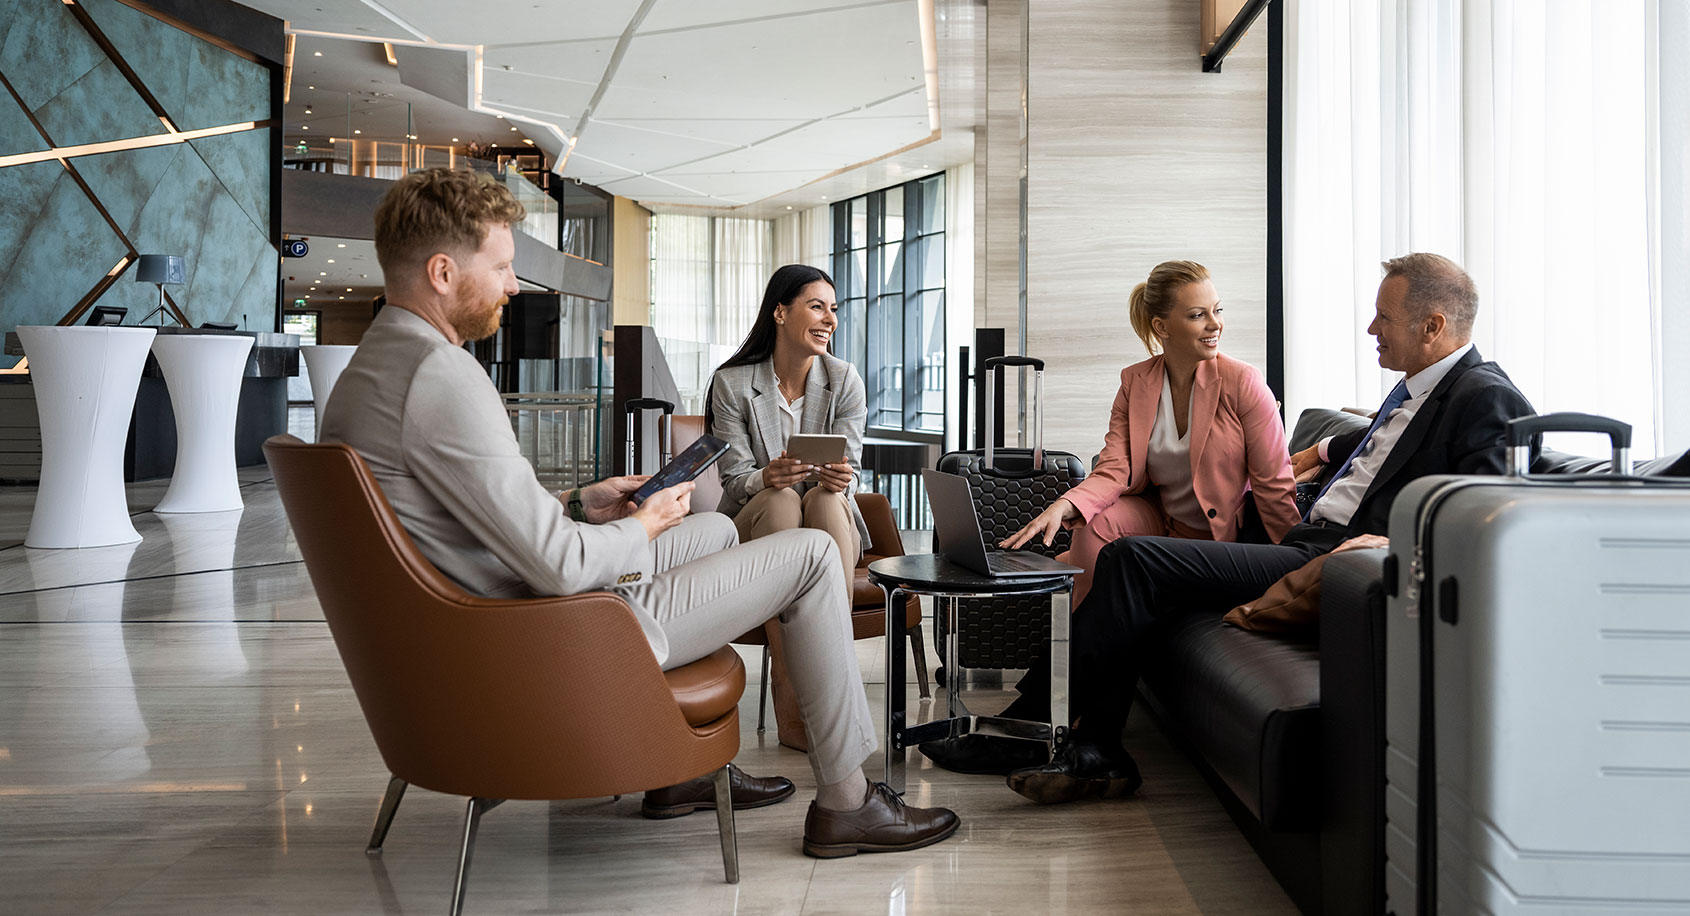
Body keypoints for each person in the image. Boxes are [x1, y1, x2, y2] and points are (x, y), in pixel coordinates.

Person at [320, 167, 958, 856]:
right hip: (550, 634)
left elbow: (465, 516)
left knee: (712, 525)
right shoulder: (444, 378)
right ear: (443, 272)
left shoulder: (373, 373)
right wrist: (641, 525)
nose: (513, 284)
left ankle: (681, 769)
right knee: (806, 556)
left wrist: (577, 502)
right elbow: (561, 567)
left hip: (502, 615)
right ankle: (847, 801)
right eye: (502, 266)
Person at [996, 252, 1537, 803]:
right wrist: (1324, 446)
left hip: (1335, 559)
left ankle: (1053, 730)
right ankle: (1082, 742)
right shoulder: (1421, 391)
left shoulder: (1487, 398)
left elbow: (1485, 520)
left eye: (1383, 317)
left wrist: (1400, 543)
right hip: (1308, 542)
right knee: (1118, 550)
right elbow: (1383, 443)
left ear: (1433, 326)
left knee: (1134, 559)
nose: (1371, 328)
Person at [1000, 260, 1299, 605]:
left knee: (1089, 561)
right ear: (1162, 327)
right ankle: (1085, 628)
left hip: (1220, 539)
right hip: (1163, 521)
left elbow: (1274, 484)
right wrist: (1065, 504)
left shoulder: (1243, 383)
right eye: (1197, 315)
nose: (1215, 324)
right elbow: (1114, 469)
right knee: (1093, 525)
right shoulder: (1135, 383)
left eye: (1217, 310)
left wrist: (1296, 564)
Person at [706, 264, 868, 752]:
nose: (830, 319)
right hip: (759, 520)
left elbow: (852, 468)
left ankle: (818, 689)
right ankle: (806, 705)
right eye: (816, 306)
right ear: (780, 311)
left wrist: (841, 477)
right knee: (779, 502)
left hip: (828, 514)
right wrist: (766, 477)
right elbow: (734, 483)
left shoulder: (843, 379)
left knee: (822, 497)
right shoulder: (733, 384)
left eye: (833, 309)